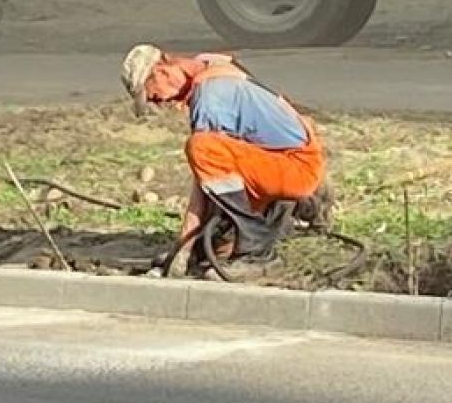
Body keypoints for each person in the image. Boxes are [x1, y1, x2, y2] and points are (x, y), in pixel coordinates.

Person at [120, 44, 331, 276]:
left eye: (150, 93)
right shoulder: (209, 64)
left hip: (296, 167)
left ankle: (257, 254)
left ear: (162, 71)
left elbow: (205, 184)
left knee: (202, 148)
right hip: (286, 158)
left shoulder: (210, 98)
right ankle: (247, 232)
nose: (155, 102)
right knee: (218, 236)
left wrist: (183, 247)